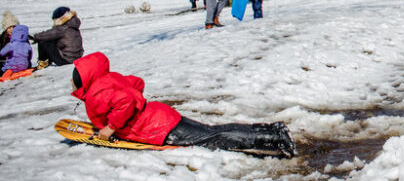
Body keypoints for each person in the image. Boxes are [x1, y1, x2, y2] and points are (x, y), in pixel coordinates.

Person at [70, 52, 295, 156]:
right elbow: (136, 84)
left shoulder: (95, 94)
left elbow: (126, 101)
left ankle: (276, 139)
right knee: (213, 131)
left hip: (158, 128)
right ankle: (273, 131)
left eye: (74, 80)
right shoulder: (109, 79)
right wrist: (134, 108)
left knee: (215, 136)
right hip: (161, 115)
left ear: (84, 80)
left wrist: (111, 127)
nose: (72, 84)